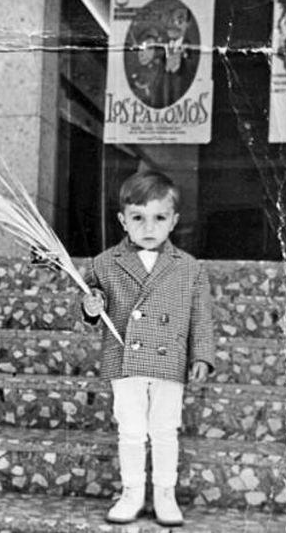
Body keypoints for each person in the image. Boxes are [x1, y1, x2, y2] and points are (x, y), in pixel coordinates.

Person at [82, 170, 215, 526]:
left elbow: (201, 316)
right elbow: (88, 302)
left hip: (169, 359)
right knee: (130, 429)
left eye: (159, 218)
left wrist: (202, 354)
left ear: (174, 221)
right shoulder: (104, 263)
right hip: (125, 358)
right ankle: (132, 492)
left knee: (165, 428)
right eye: (138, 218)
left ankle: (165, 494)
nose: (148, 227)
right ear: (123, 220)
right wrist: (90, 307)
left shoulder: (188, 268)